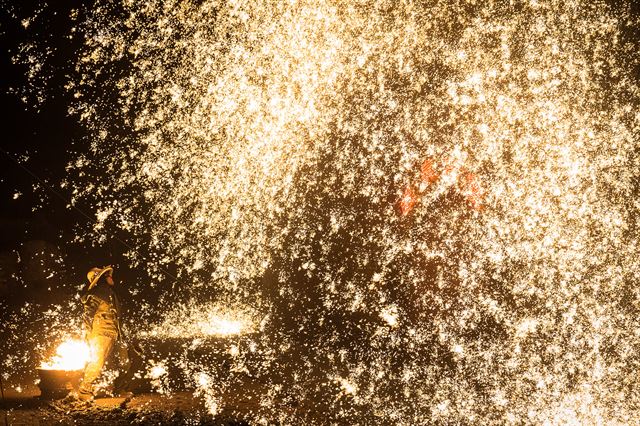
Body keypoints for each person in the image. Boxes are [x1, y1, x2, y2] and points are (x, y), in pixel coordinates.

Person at [77, 265, 126, 401]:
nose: (111, 276)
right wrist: (87, 335)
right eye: (107, 275)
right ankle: (84, 390)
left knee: (124, 362)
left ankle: (119, 389)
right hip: (101, 334)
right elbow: (87, 316)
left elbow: (117, 318)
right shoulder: (96, 294)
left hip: (115, 333)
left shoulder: (111, 294)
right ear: (101, 280)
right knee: (97, 362)